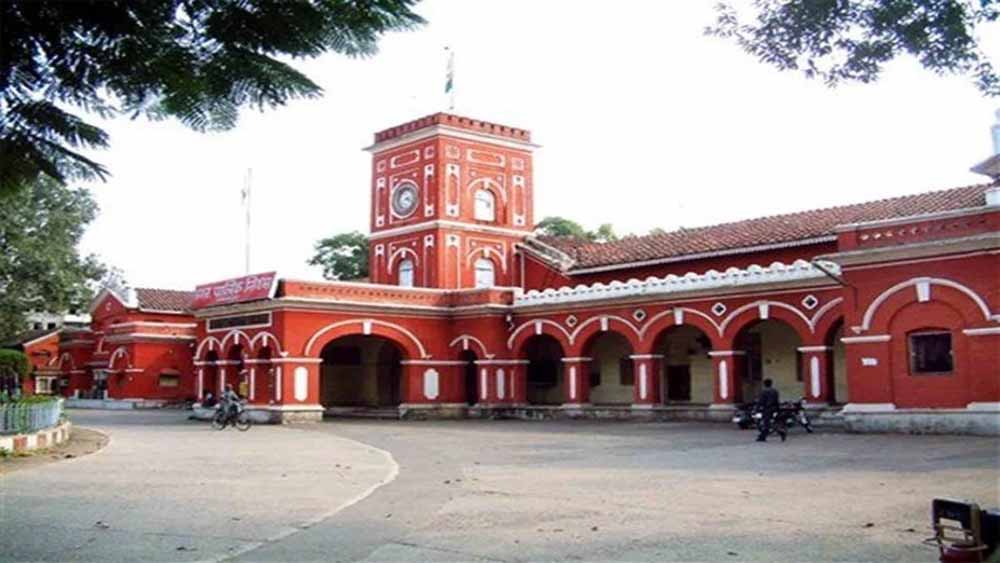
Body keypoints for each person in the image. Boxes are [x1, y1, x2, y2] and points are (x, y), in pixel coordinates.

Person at [755, 378, 786, 442]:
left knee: (766, 423)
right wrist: (778, 409)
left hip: (767, 409)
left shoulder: (764, 392)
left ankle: (763, 437)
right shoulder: (775, 391)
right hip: (774, 408)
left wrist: (757, 409)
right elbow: (777, 401)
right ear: (771, 384)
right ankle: (762, 436)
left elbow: (760, 401)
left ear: (764, 384)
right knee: (771, 423)